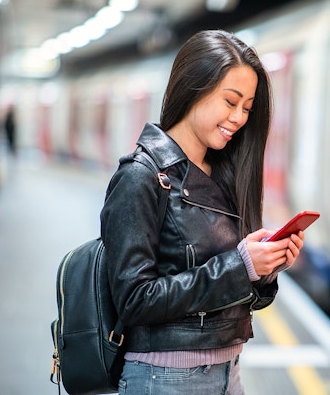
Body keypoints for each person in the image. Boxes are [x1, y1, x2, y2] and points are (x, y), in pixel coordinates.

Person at [100, 29, 305, 395]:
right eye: (230, 101)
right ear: (194, 87)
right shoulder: (141, 177)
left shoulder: (226, 174)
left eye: (247, 107)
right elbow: (133, 300)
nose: (240, 118)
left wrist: (264, 270)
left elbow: (234, 296)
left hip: (228, 372)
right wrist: (240, 266)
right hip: (165, 379)